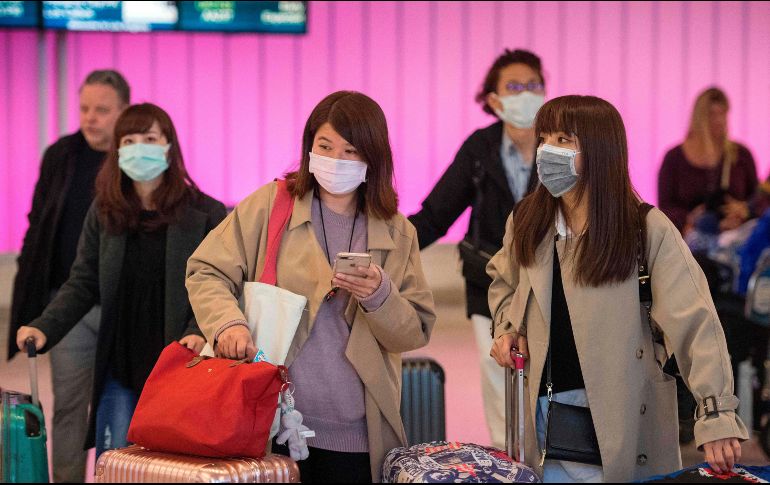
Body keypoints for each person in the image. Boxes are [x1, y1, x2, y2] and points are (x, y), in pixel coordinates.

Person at [489, 95, 748, 483]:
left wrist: (717, 415)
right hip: (544, 413)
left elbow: (696, 322)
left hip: (624, 414)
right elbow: (504, 281)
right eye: (544, 137)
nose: (547, 150)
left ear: (600, 150)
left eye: (563, 139)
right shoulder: (528, 221)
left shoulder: (645, 229)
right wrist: (506, 327)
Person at [186, 91, 436, 483]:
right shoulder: (272, 206)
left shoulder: (397, 231)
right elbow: (206, 270)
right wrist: (226, 324)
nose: (336, 160)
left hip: (357, 431)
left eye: (351, 150)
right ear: (309, 148)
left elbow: (414, 330)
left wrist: (379, 296)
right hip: (268, 420)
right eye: (325, 146)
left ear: (373, 158)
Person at [15, 103, 227, 460]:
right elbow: (82, 282)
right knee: (116, 462)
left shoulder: (206, 212)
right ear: (117, 151)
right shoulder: (104, 211)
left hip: (178, 360)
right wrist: (44, 326)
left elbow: (218, 285)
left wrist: (199, 330)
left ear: (168, 145)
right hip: (120, 361)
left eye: (149, 138)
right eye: (129, 140)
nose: (139, 147)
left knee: (171, 463)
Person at [408, 49, 543, 448]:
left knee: (546, 382)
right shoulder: (480, 149)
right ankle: (510, 463)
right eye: (514, 87)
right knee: (500, 379)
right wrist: (384, 246)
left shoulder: (559, 146)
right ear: (494, 99)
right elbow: (435, 215)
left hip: (549, 287)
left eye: (533, 85)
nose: (526, 94)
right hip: (488, 284)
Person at [8, 69, 129, 483]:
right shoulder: (61, 155)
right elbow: (38, 225)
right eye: (84, 108)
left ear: (123, 111)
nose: (90, 118)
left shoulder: (133, 158)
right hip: (69, 303)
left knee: (124, 406)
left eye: (101, 110)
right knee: (69, 410)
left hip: (122, 308)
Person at [658, 87, 758, 245]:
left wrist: (743, 209)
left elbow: (758, 198)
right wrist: (690, 218)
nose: (719, 120)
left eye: (722, 113)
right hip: (690, 240)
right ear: (699, 118)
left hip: (737, 238)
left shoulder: (741, 155)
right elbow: (665, 207)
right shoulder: (674, 158)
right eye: (712, 114)